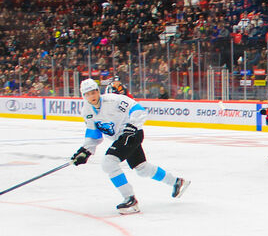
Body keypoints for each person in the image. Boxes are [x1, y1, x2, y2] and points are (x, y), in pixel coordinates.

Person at [70, 78, 190, 214]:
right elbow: (94, 134)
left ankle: (130, 199)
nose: (92, 96)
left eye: (94, 92)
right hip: (121, 138)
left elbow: (138, 110)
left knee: (109, 162)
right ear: (83, 96)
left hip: (132, 133)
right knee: (142, 169)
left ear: (98, 91)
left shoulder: (113, 100)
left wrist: (132, 125)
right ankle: (176, 182)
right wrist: (85, 151)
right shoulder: (87, 111)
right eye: (88, 94)